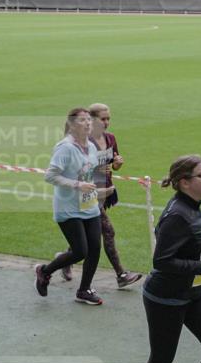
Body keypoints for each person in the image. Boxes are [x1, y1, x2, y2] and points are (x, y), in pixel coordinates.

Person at [131, 155, 201, 363]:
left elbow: (182, 240)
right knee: (161, 360)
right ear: (185, 183)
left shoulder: (191, 207)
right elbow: (162, 261)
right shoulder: (178, 214)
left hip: (193, 294)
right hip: (166, 299)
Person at [35, 107, 113, 305]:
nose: (87, 123)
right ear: (71, 124)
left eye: (88, 120)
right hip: (68, 208)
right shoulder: (65, 147)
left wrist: (99, 191)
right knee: (80, 251)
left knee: (95, 249)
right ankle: (45, 271)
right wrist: (77, 185)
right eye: (82, 120)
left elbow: (88, 174)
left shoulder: (92, 147)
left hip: (89, 205)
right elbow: (50, 176)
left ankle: (84, 290)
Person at [59, 103, 142, 289]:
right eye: (102, 119)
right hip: (88, 194)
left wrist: (118, 163)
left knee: (90, 235)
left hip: (105, 191)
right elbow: (77, 168)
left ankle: (66, 259)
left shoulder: (110, 138)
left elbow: (114, 165)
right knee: (108, 231)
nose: (106, 122)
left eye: (108, 119)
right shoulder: (84, 142)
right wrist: (96, 169)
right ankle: (121, 274)